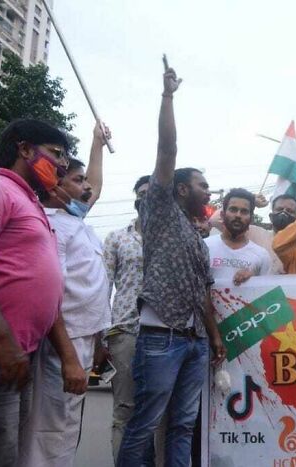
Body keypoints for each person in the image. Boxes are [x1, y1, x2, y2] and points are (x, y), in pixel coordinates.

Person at [117, 64, 225, 467]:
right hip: (161, 338)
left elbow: (203, 293)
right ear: (180, 189)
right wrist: (168, 97)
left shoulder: (197, 238)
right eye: (202, 185)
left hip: (195, 341)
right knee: (145, 423)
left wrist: (213, 336)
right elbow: (167, 150)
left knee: (182, 425)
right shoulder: (160, 211)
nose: (208, 191)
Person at [0, 119, 85, 467]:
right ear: (25, 150)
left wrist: (68, 357)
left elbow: (46, 292)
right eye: (56, 154)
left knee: (10, 452)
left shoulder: (32, 205)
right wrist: (2, 341)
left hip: (19, 354)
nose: (62, 165)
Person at [19, 123, 113, 467]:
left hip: (84, 339)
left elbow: (96, 186)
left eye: (85, 180)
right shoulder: (49, 224)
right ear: (55, 185)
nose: (87, 187)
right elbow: (50, 295)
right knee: (49, 428)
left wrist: (97, 144)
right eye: (77, 180)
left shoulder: (74, 219)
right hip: (62, 342)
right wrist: (70, 357)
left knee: (67, 426)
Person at [103, 175, 164, 464]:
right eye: (141, 193)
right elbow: (103, 286)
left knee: (158, 412)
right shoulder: (117, 238)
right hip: (124, 330)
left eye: (152, 193)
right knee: (125, 409)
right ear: (135, 199)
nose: (145, 198)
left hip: (164, 333)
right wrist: (100, 334)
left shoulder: (172, 238)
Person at [205, 188, 271, 285]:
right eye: (233, 209)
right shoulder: (204, 246)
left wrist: (253, 280)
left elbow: (265, 290)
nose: (238, 215)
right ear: (222, 215)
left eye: (244, 211)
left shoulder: (262, 255)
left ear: (251, 219)